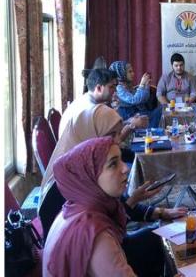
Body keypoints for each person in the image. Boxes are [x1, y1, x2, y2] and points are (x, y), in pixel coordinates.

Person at [42, 136, 186, 277]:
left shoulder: (75, 206)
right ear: (90, 175)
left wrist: (156, 210)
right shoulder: (96, 235)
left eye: (121, 160)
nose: (125, 168)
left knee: (156, 237)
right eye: (113, 164)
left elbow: (123, 209)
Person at [39, 68, 146, 236]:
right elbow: (108, 229)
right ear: (98, 88)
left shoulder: (91, 113)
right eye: (112, 87)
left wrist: (156, 212)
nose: (115, 91)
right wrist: (132, 202)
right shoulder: (76, 189)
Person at [109, 60, 163, 127]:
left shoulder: (128, 85)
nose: (133, 73)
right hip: (129, 115)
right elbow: (134, 100)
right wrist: (142, 85)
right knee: (159, 112)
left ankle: (151, 129)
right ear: (121, 73)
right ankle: (150, 130)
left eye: (132, 71)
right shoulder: (118, 87)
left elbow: (144, 99)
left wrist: (146, 86)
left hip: (139, 111)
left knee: (163, 108)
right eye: (130, 72)